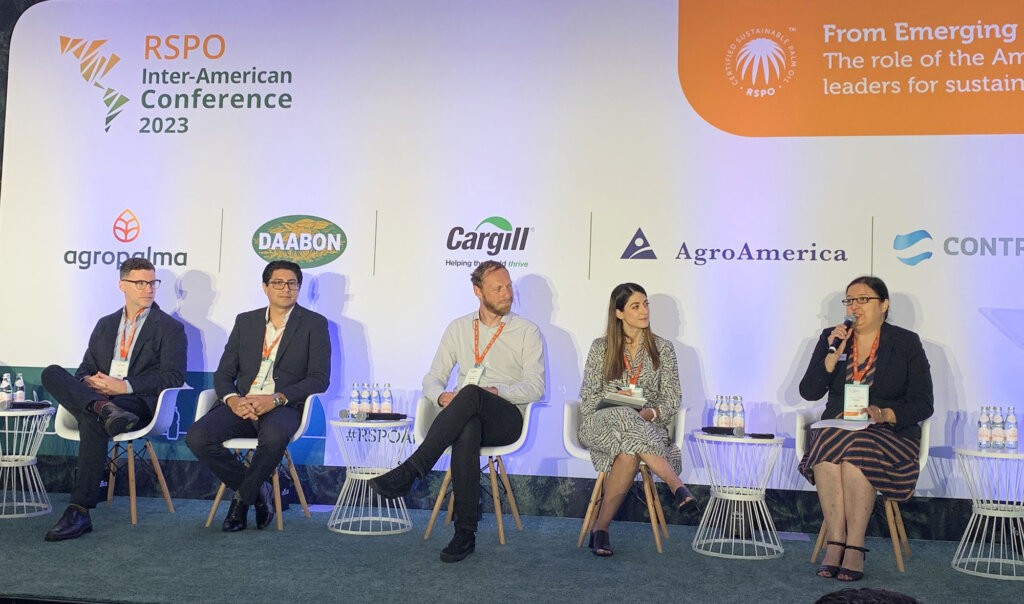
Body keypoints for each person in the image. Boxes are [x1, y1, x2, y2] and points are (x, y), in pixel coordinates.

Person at [369, 260, 545, 562]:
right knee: (467, 426)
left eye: (509, 286)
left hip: (506, 418)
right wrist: (440, 397)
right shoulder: (459, 327)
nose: (507, 294)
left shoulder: (526, 331)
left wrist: (495, 391)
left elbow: (536, 387)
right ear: (478, 291)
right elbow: (433, 377)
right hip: (466, 414)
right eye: (498, 289)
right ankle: (465, 533)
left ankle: (411, 470)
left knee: (472, 393)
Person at [41, 258, 187, 541]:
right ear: (122, 285)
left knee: (92, 419)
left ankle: (79, 509)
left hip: (136, 403)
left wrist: (124, 385)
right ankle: (102, 407)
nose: (148, 289)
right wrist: (92, 382)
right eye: (140, 283)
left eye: (152, 283)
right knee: (52, 373)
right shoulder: (106, 324)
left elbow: (174, 377)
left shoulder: (169, 328)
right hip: (100, 397)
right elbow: (83, 370)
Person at [798, 276, 933, 581]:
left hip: (887, 432)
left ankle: (855, 547)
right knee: (827, 445)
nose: (854, 307)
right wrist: (831, 357)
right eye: (849, 300)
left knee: (856, 450)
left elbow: (924, 403)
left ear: (884, 305)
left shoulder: (905, 342)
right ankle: (836, 543)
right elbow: (809, 391)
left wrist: (886, 414)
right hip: (838, 426)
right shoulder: (832, 338)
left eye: (863, 300)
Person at [186, 260, 330, 532]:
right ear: (265, 287)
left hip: (283, 406)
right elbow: (223, 374)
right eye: (278, 283)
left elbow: (319, 379)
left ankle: (241, 501)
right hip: (242, 403)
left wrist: (275, 399)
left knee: (274, 437)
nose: (286, 289)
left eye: (292, 283)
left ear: (299, 288)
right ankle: (259, 490)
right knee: (197, 437)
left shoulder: (314, 324)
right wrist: (233, 400)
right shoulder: (246, 321)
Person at [577, 283, 697, 556]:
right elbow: (589, 398)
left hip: (645, 426)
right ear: (619, 313)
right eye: (635, 306)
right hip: (600, 425)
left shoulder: (663, 349)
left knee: (629, 452)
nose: (644, 311)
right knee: (623, 412)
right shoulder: (600, 348)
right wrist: (628, 400)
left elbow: (672, 398)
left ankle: (600, 530)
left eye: (645, 304)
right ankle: (676, 485)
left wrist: (649, 413)